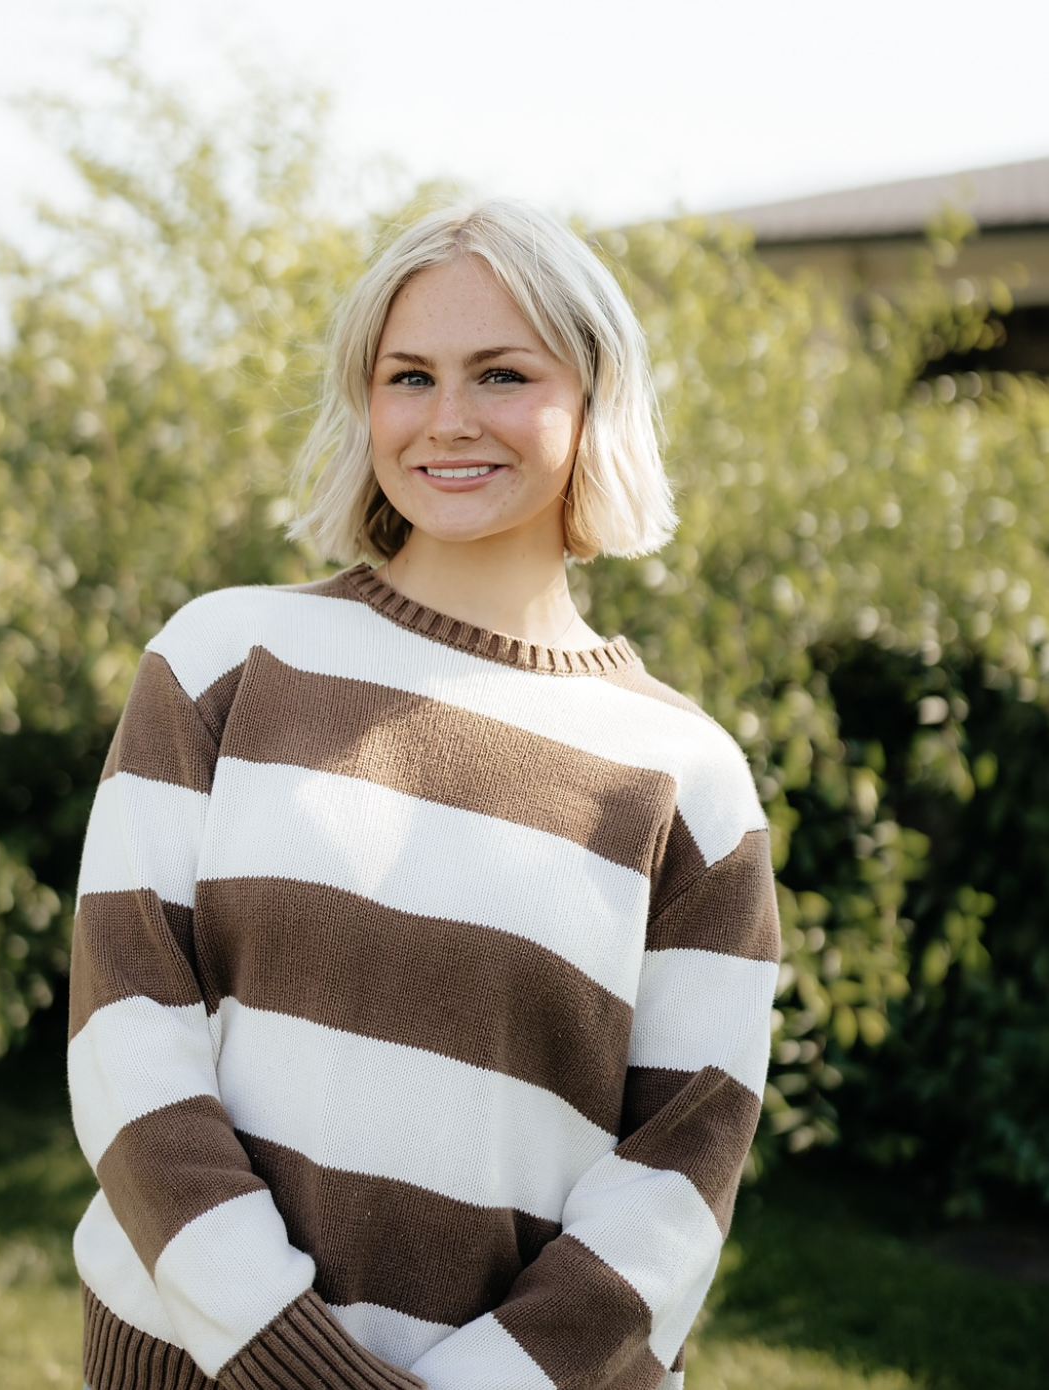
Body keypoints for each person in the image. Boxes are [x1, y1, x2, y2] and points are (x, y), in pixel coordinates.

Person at [67, 199, 780, 1390]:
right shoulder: (222, 661)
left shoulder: (686, 780)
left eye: (501, 373)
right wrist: (296, 1366)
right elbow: (125, 1036)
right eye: (409, 375)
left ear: (593, 397)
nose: (447, 418)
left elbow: (677, 1170)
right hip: (189, 1365)